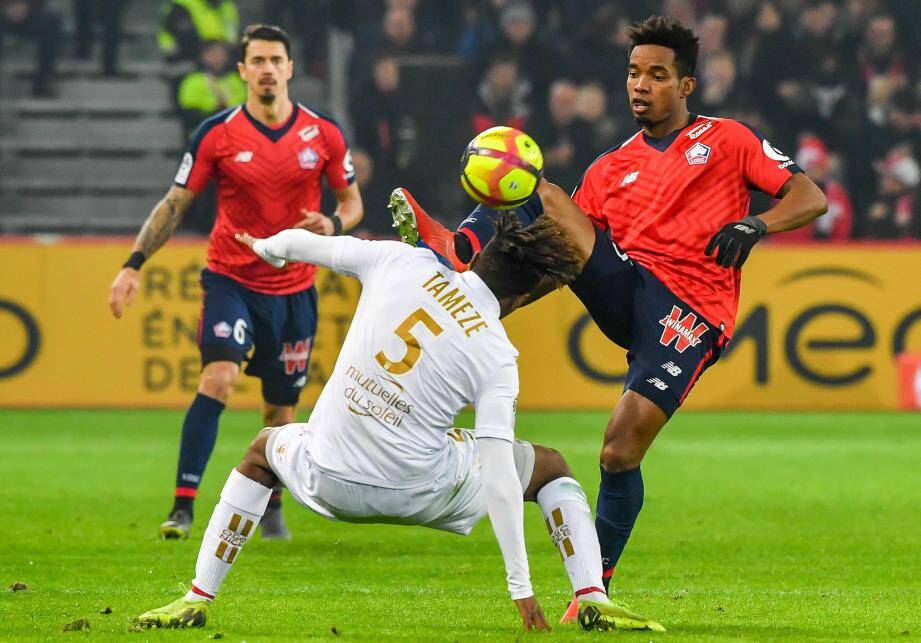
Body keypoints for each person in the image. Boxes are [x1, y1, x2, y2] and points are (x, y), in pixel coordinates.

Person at [390, 15, 827, 620]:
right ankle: (460, 253)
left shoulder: (728, 140)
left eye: (656, 74)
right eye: (633, 73)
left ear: (686, 87)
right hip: (627, 287)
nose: (640, 85)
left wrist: (757, 224)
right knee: (541, 198)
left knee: (619, 452)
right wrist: (499, 306)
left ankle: (592, 591)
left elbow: (811, 197)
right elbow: (564, 256)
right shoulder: (607, 169)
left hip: (690, 314)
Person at [133, 198, 665, 633]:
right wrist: (520, 588)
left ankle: (198, 596)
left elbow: (306, 245)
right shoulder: (498, 354)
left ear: (476, 258)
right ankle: (591, 593)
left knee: (262, 449)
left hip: (327, 477)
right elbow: (500, 477)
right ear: (524, 294)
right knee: (549, 466)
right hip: (424, 492)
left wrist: (267, 247)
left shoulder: (400, 261)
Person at [107, 24, 364, 541]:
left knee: (281, 409)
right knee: (218, 379)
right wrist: (134, 263)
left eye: (276, 60)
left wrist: (332, 226)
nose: (268, 69)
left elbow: (352, 203)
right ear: (242, 71)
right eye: (258, 61)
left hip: (294, 290)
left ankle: (270, 508)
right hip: (231, 279)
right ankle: (182, 506)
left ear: (290, 68)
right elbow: (175, 204)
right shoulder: (217, 133)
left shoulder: (324, 134)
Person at [0, 0, 63, 97]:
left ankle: (43, 82)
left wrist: (27, 6)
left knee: (52, 19)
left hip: (31, 11)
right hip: (3, 11)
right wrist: (6, 6)